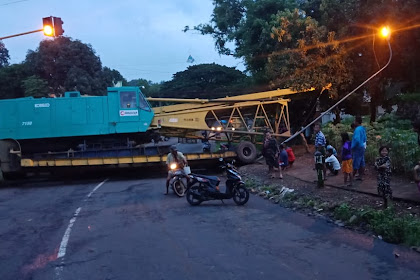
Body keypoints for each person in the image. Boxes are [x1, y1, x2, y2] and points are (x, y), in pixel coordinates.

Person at [351, 116, 367, 180]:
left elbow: (356, 139)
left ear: (356, 121)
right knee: (361, 161)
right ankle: (360, 176)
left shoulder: (357, 130)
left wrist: (352, 147)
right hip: (362, 146)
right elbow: (365, 138)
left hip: (357, 147)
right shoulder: (362, 128)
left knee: (356, 162)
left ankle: (351, 178)